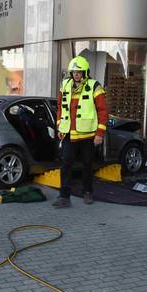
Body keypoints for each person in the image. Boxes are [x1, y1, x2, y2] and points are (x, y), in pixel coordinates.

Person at [52, 56, 108, 208]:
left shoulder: (94, 86)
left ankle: (88, 192)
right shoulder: (64, 85)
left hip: (88, 134)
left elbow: (103, 111)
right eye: (74, 72)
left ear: (85, 72)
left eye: (79, 72)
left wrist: (99, 134)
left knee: (87, 165)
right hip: (69, 134)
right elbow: (59, 107)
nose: (76, 74)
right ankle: (64, 196)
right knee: (66, 165)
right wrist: (59, 126)